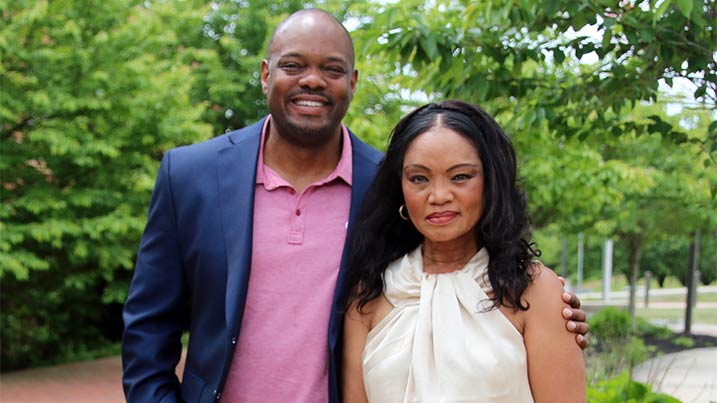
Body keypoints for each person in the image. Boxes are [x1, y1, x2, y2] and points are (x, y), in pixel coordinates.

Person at [122, 9, 588, 403]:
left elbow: (457, 265)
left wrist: (554, 311)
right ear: (266, 74)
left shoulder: (390, 184)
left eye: (331, 68)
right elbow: (148, 329)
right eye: (293, 65)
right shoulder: (189, 176)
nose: (311, 80)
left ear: (352, 82)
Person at [342, 100, 586, 403]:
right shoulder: (370, 294)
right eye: (419, 178)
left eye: (460, 177)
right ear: (400, 187)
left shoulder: (534, 290)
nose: (439, 196)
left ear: (490, 182)